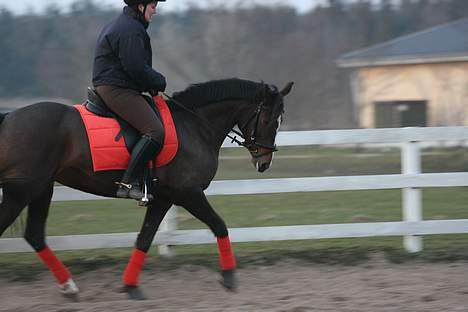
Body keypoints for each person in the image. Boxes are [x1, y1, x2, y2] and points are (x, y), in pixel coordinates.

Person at [92, 0, 167, 200]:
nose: (155, 11)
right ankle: (128, 182)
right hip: (116, 89)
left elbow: (133, 67)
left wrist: (148, 83)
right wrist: (158, 80)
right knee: (155, 131)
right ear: (141, 7)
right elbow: (135, 68)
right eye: (153, 6)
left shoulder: (124, 24)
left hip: (117, 84)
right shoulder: (130, 30)